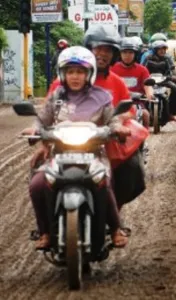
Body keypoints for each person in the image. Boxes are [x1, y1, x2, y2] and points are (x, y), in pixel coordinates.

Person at [23, 46, 131, 249]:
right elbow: (42, 119)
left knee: (103, 181)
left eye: (80, 72)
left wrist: (117, 129)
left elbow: (113, 119)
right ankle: (45, 231)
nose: (75, 76)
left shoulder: (102, 96)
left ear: (89, 74)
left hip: (93, 154)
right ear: (62, 74)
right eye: (70, 71)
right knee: (37, 185)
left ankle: (116, 228)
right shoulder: (57, 96)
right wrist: (34, 129)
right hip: (59, 154)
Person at [48, 25, 146, 215]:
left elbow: (129, 111)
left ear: (114, 54)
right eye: (98, 48)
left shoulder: (116, 82)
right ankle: (46, 224)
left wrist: (116, 122)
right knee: (39, 174)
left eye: (108, 50)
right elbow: (48, 110)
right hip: (65, 141)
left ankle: (113, 213)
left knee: (132, 169)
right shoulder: (65, 79)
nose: (102, 54)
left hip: (105, 140)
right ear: (88, 49)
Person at [111, 37, 153, 128]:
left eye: (130, 52)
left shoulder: (142, 70)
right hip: (116, 104)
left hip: (136, 103)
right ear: (120, 54)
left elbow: (147, 85)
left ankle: (143, 140)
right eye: (124, 52)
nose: (127, 55)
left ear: (135, 54)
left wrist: (150, 94)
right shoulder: (111, 69)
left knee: (146, 115)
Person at [143, 40, 176, 119]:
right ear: (155, 50)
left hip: (163, 80)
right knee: (140, 93)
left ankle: (172, 112)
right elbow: (143, 69)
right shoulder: (148, 58)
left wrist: (170, 76)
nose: (162, 51)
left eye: (164, 49)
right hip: (150, 81)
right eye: (160, 49)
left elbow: (170, 69)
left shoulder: (167, 58)